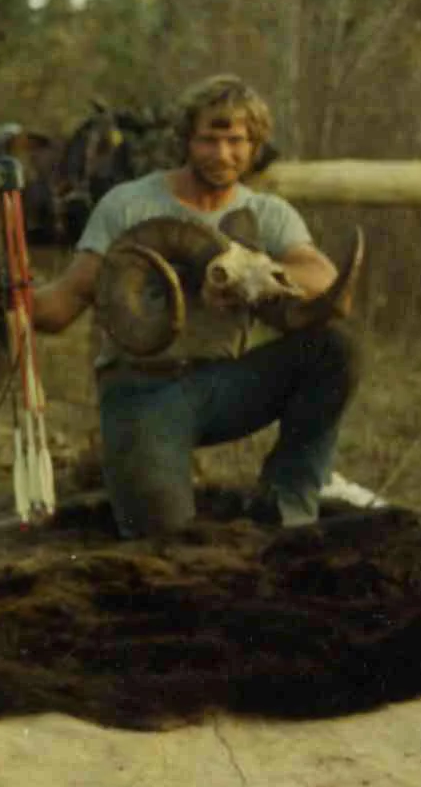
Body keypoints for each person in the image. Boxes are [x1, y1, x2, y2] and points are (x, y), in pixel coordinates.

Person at [29, 75, 360, 536]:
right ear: (186, 138)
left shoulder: (267, 215)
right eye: (208, 138)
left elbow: (326, 284)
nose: (222, 154)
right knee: (165, 544)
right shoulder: (130, 204)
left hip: (221, 385)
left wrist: (251, 271)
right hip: (140, 392)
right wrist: (18, 302)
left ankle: (289, 503)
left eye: (235, 141)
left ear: (254, 145)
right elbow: (63, 303)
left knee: (334, 349)